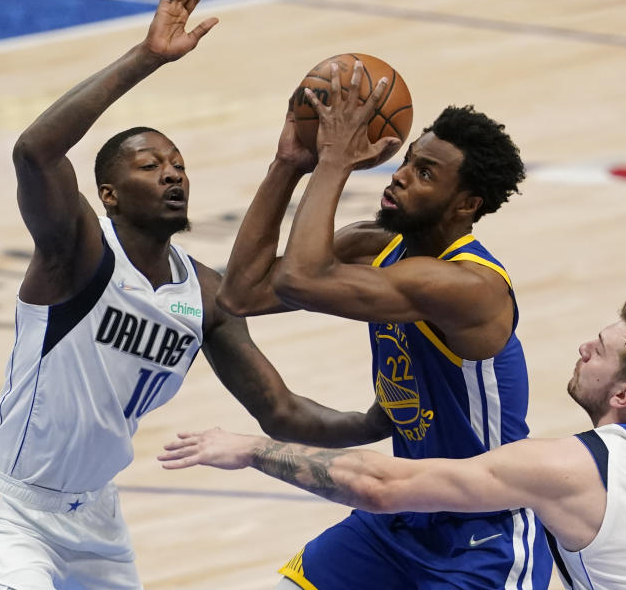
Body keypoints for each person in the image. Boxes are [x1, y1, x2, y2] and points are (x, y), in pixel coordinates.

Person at [0, 0, 391, 590]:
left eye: (177, 163)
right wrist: (148, 57)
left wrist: (379, 419)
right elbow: (33, 152)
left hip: (93, 519)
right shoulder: (78, 254)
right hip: (4, 509)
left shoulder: (204, 295)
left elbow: (281, 411)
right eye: (151, 166)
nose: (173, 173)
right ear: (110, 195)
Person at [161, 290, 626, 589]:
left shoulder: (569, 466)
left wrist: (252, 450)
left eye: (600, 351)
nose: (583, 347)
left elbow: (380, 486)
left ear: (625, 395)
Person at [210, 62, 553, 588]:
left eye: (425, 174)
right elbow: (241, 293)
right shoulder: (376, 245)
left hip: (482, 531)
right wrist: (288, 163)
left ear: (466, 204)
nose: (399, 175)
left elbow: (301, 278)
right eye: (409, 161)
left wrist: (335, 161)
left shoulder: (470, 288)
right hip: (401, 511)